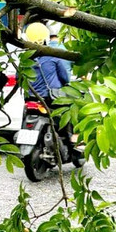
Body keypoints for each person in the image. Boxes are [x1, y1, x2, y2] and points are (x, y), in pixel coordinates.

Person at [25, 21, 81, 163]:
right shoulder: (52, 55)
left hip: (30, 98)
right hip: (51, 98)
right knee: (70, 110)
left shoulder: (24, 59)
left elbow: (20, 78)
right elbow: (65, 77)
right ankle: (71, 139)